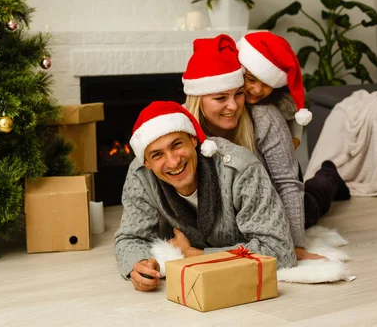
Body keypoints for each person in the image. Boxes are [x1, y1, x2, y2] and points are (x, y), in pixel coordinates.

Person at [182, 34, 349, 261]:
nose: (255, 91)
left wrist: (295, 245)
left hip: (277, 193)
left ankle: (329, 174)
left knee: (313, 201)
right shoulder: (184, 128)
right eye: (221, 97)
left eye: (238, 94)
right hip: (239, 212)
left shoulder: (264, 116)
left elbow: (287, 183)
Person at [113, 100, 297, 292]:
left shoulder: (240, 168)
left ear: (193, 140)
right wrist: (140, 264)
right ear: (147, 163)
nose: (173, 162)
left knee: (315, 201)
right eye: (158, 155)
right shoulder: (140, 174)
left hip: (275, 203)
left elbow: (280, 253)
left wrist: (199, 256)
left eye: (177, 145)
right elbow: (130, 237)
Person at [236, 31, 313, 150]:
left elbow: (294, 119)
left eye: (267, 84)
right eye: (251, 80)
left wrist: (295, 139)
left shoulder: (282, 103)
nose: (257, 90)